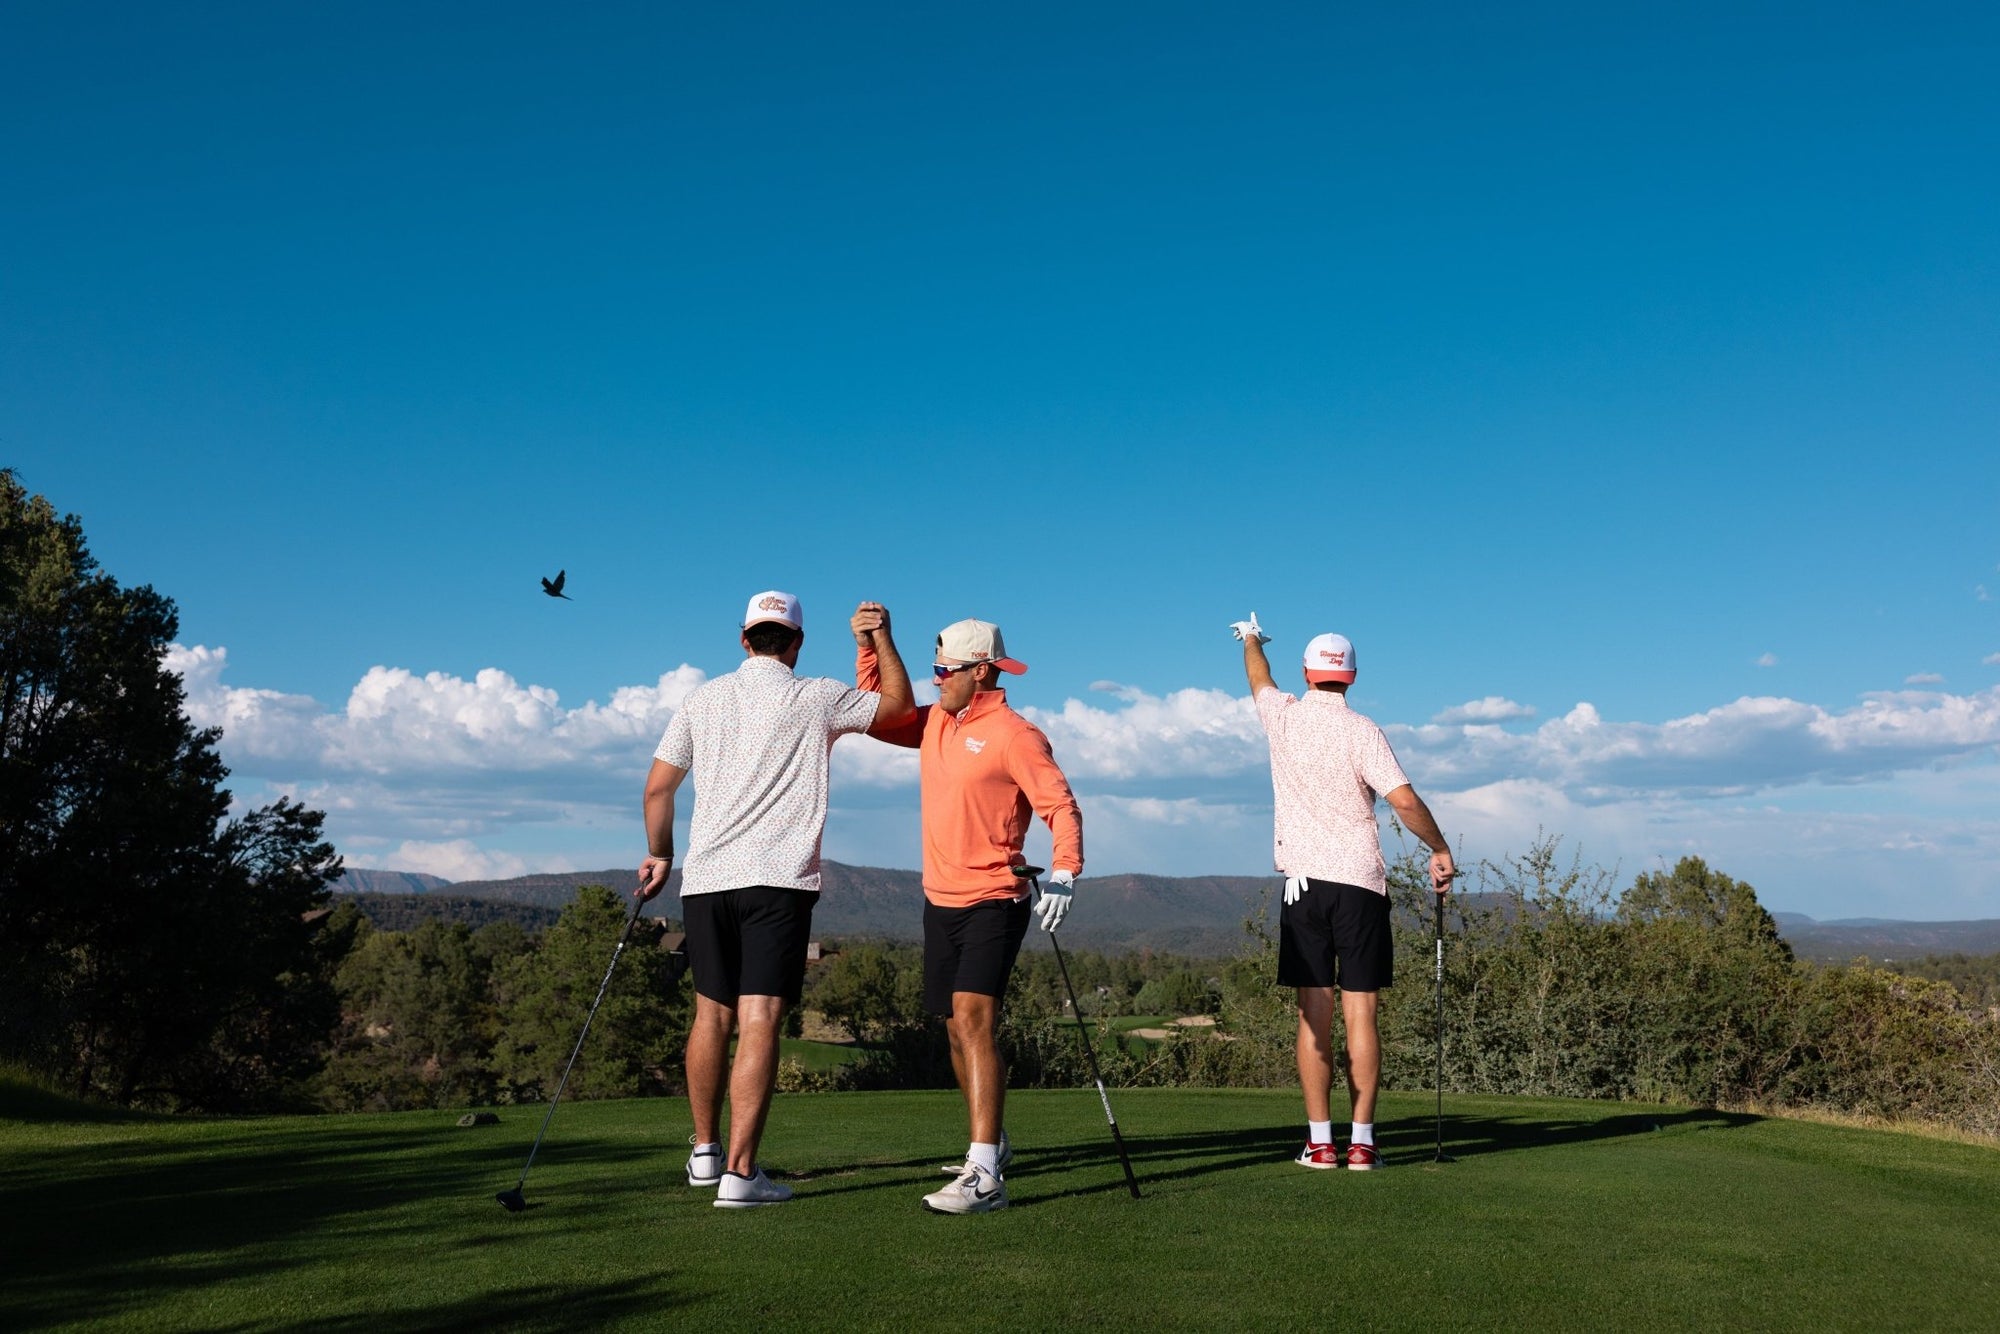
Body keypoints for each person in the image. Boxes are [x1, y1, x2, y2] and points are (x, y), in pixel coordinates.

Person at [638, 590, 915, 1208]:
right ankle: (740, 1175)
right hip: (776, 880)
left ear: (743, 638)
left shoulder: (701, 700)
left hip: (706, 881)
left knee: (711, 1015)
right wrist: (879, 640)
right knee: (759, 1017)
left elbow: (658, 791)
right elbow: (898, 709)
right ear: (796, 643)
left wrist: (660, 855)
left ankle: (705, 1153)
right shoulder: (814, 695)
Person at [852, 605, 1083, 1214]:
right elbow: (875, 713)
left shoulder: (1016, 734)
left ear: (980, 672)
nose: (933, 678)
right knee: (955, 1028)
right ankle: (994, 1143)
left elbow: (1061, 806)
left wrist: (1064, 874)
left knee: (975, 1022)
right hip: (939, 899)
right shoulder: (934, 722)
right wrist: (874, 644)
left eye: (942, 669)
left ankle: (984, 1174)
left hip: (993, 899)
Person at [1230, 612, 1455, 1170]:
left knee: (1314, 1014)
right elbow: (1403, 801)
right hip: (1360, 885)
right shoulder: (1364, 731)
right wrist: (1440, 848)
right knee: (1362, 1015)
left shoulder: (1282, 716)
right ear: (1353, 676)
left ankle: (1320, 1142)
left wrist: (1252, 638)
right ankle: (1362, 1143)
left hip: (1303, 888)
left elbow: (1259, 678)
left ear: (1307, 673)